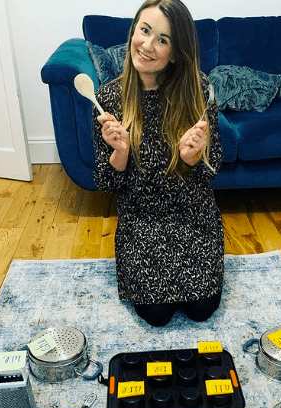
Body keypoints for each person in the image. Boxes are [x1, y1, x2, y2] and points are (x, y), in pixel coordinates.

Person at [93, 0, 224, 327]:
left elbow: (214, 168)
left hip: (192, 216)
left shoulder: (199, 90)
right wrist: (119, 154)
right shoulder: (108, 98)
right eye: (144, 30)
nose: (148, 45)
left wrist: (191, 159)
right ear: (134, 30)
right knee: (156, 315)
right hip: (142, 221)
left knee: (201, 309)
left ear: (177, 51)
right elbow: (106, 184)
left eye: (163, 40)